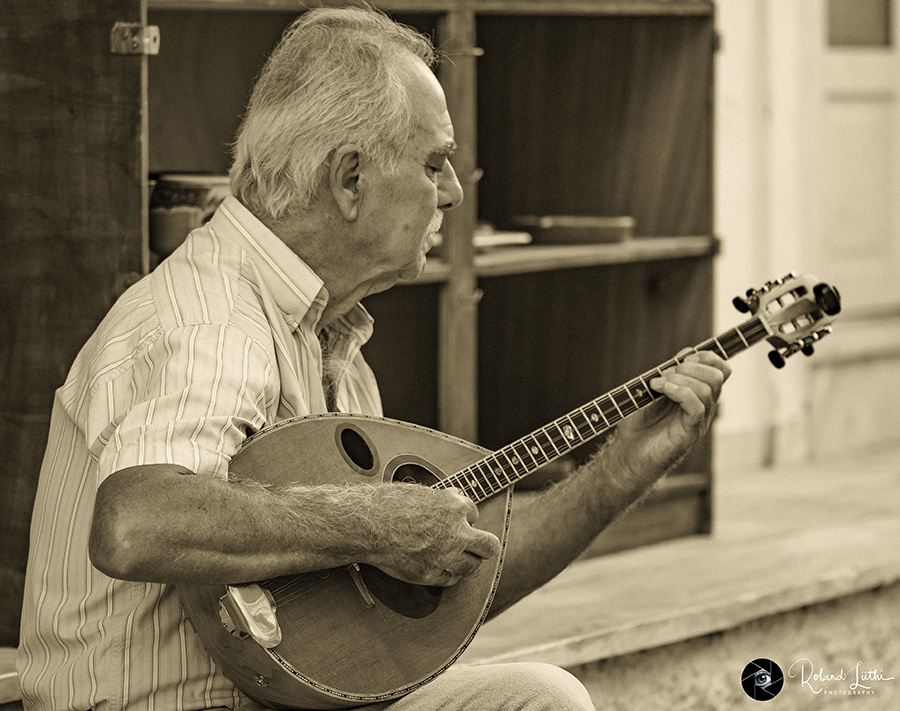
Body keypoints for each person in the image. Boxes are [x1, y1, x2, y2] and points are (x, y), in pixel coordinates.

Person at [16, 6, 731, 711]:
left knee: (538, 698)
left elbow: (423, 606)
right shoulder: (210, 320)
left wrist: (616, 474)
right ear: (351, 178)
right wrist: (376, 523)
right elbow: (136, 521)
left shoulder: (337, 341)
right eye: (434, 162)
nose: (452, 191)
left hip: (293, 700)